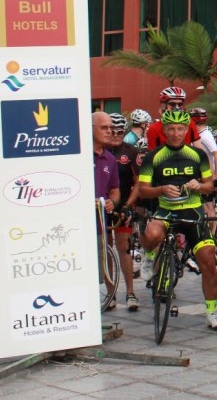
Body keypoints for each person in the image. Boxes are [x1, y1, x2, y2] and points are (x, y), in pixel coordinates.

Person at [138, 109, 217, 330]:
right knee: (151, 234)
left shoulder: (198, 155)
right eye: (171, 129)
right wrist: (161, 189)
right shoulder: (154, 156)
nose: (176, 133)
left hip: (192, 212)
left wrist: (199, 185)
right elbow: (143, 190)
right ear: (164, 130)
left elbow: (209, 185)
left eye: (180, 129)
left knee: (208, 261)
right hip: (166, 211)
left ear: (187, 130)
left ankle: (212, 311)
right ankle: (149, 255)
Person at [108, 113, 142, 311]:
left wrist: (129, 204)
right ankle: (111, 292)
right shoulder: (97, 151)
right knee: (106, 250)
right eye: (111, 131)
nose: (115, 135)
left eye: (120, 132)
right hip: (102, 206)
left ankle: (130, 292)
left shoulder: (130, 151)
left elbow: (138, 183)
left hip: (123, 207)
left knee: (124, 248)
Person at [92, 112, 121, 310]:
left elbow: (115, 191)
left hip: (100, 224)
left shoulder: (110, 159)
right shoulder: (77, 154)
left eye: (111, 127)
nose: (109, 131)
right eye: (104, 127)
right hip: (77, 224)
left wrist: (112, 202)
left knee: (101, 262)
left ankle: (107, 296)